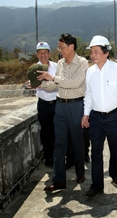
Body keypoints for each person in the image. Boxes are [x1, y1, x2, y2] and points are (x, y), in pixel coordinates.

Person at [81, 35, 117, 197]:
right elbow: (88, 95)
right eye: (91, 52)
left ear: (106, 53)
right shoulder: (90, 72)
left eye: (96, 51)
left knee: (116, 149)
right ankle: (97, 185)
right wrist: (86, 114)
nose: (93, 55)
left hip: (115, 117)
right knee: (96, 151)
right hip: (96, 118)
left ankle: (115, 174)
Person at [39, 33, 89, 191]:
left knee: (77, 141)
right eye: (59, 47)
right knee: (59, 143)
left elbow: (75, 83)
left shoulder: (82, 63)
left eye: (62, 47)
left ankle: (80, 172)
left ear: (71, 46)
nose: (59, 50)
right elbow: (57, 85)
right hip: (60, 106)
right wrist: (41, 85)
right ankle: (59, 180)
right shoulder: (60, 63)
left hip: (76, 105)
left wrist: (53, 78)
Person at [33, 42, 58, 168]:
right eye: (40, 53)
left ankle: (58, 157)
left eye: (45, 52)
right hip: (43, 104)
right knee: (45, 132)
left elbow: (59, 83)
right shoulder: (33, 69)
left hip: (56, 103)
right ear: (37, 54)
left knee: (58, 131)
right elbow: (32, 84)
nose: (43, 55)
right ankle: (49, 157)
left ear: (49, 53)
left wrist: (50, 80)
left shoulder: (57, 67)